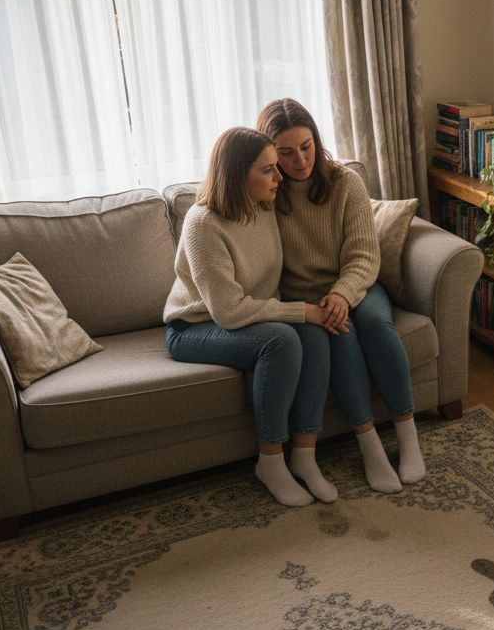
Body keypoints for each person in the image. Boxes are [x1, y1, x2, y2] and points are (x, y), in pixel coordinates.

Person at [162, 126, 342, 507]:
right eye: (268, 170)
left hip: (251, 317)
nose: (280, 176)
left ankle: (305, 455)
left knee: (314, 334)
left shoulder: (264, 205)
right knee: (284, 339)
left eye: (276, 166)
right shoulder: (202, 224)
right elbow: (228, 311)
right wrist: (301, 311)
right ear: (236, 175)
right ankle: (271, 461)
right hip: (194, 326)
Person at [257, 98, 425, 493]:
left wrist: (342, 295)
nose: (300, 160)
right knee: (341, 333)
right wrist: (315, 306)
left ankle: (408, 439)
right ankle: (369, 446)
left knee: (374, 323)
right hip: (306, 301)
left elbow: (365, 255)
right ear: (270, 154)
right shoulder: (266, 193)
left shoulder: (346, 182)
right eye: (286, 152)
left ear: (316, 140)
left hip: (355, 284)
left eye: (306, 146)